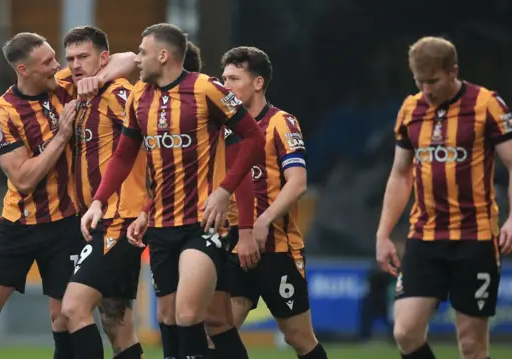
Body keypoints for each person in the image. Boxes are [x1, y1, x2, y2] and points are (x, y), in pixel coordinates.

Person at [81, 23, 265, 359]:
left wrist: (224, 191)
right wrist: (98, 201)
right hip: (161, 227)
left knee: (189, 314)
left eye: (142, 52)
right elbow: (123, 155)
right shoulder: (139, 96)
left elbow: (253, 138)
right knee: (169, 317)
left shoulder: (206, 90)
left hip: (202, 225)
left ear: (163, 55)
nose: (137, 59)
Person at [375, 36, 512, 359]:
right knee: (405, 332)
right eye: (420, 82)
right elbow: (400, 174)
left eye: (432, 81)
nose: (426, 89)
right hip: (425, 236)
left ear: (453, 71)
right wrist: (383, 233)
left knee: (472, 345)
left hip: (475, 239)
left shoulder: (486, 104)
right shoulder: (410, 109)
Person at [0, 32, 81, 359]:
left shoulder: (62, 85)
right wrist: (61, 137)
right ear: (23, 70)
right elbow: (23, 178)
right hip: (19, 223)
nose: (57, 66)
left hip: (65, 223)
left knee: (64, 317)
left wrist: (97, 77)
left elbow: (125, 59)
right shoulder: (1, 114)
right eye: (47, 62)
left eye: (53, 58)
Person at [221, 46, 328, 359]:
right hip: (234, 246)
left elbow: (297, 183)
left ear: (257, 83)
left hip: (276, 248)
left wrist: (264, 221)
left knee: (298, 337)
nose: (224, 86)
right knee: (219, 331)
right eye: (223, 78)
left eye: (233, 79)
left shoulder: (281, 123)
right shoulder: (222, 128)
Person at [54, 26, 145, 359]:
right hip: (95, 220)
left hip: (119, 218)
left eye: (84, 57)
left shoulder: (119, 94)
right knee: (116, 323)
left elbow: (148, 142)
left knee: (73, 307)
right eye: (71, 59)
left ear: (103, 58)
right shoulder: (77, 91)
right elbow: (128, 58)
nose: (76, 65)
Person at [182, 40, 255, 359]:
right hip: (187, 224)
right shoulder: (156, 109)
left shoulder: (211, 114)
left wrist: (249, 229)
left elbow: (243, 173)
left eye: (232, 79)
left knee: (188, 317)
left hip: (223, 230)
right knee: (214, 320)